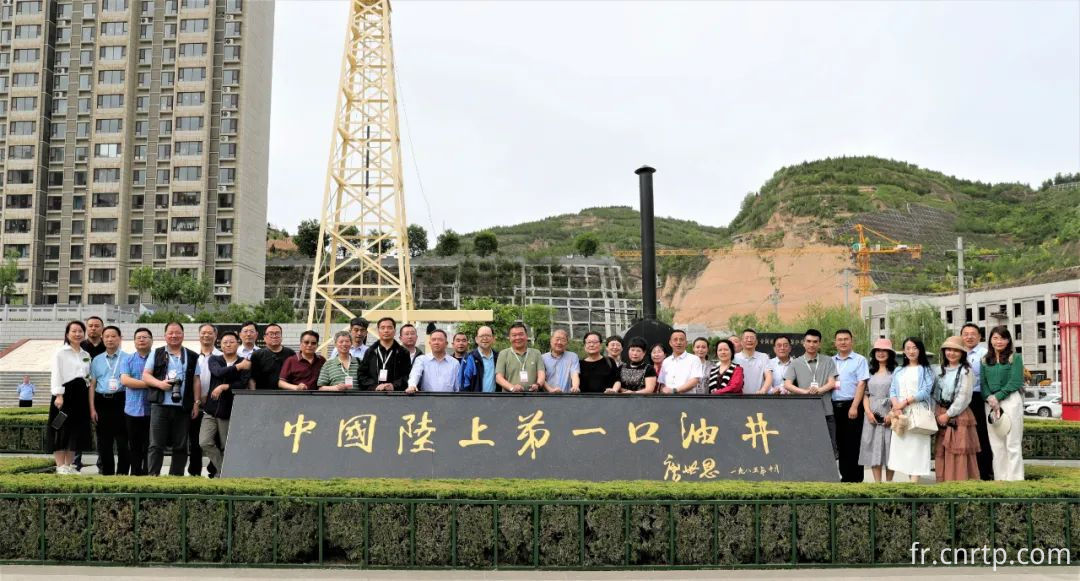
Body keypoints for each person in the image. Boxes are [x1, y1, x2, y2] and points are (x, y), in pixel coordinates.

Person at [142, 321, 202, 477]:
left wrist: (196, 403)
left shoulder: (192, 355)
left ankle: (176, 477)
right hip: (160, 405)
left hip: (183, 406)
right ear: (165, 335)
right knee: (156, 444)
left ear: (183, 335)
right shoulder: (156, 353)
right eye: (170, 333)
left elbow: (196, 380)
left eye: (177, 333)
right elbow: (146, 375)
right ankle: (153, 477)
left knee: (181, 446)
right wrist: (160, 384)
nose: (174, 335)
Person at [784, 329, 840, 458]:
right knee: (805, 446)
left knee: (829, 448)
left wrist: (818, 390)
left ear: (819, 344)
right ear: (803, 343)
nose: (811, 344)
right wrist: (805, 392)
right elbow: (787, 384)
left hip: (826, 411)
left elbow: (832, 383)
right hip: (804, 411)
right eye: (808, 341)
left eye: (815, 342)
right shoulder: (795, 363)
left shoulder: (828, 361)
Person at [886, 337, 935, 482]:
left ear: (920, 350)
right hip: (900, 413)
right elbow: (893, 390)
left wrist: (904, 403)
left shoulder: (926, 370)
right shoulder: (899, 370)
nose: (911, 351)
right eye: (908, 348)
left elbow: (925, 391)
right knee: (903, 447)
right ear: (904, 351)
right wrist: (896, 406)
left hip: (917, 410)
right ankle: (910, 481)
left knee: (917, 447)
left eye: (914, 348)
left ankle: (914, 483)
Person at [201, 331, 250, 476]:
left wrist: (225, 387)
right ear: (220, 345)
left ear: (238, 343)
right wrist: (238, 367)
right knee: (204, 442)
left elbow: (242, 384)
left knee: (225, 446)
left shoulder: (245, 361)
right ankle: (223, 470)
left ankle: (222, 474)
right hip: (210, 410)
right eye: (225, 342)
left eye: (231, 342)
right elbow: (218, 372)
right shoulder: (214, 359)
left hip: (228, 411)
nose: (228, 344)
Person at [49, 321, 93, 474]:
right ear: (67, 334)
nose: (77, 334)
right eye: (74, 331)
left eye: (80, 331)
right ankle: (60, 466)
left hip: (81, 395)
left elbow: (87, 376)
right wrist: (59, 395)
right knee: (60, 428)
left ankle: (70, 465)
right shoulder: (60, 352)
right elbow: (56, 373)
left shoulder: (85, 354)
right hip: (65, 395)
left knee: (76, 430)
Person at [981, 325, 1025, 481]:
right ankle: (1000, 479)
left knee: (1012, 443)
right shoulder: (985, 359)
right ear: (990, 340)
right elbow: (983, 384)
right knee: (997, 445)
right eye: (995, 338)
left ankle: (1016, 480)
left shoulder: (1015, 357)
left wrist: (998, 396)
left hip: (1010, 400)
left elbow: (1016, 381)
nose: (999, 341)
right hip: (991, 404)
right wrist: (989, 398)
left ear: (1008, 340)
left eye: (1003, 338)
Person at [934, 336, 980, 481]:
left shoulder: (966, 371)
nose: (951, 353)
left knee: (958, 452)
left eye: (956, 350)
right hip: (940, 413)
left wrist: (948, 414)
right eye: (948, 349)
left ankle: (958, 484)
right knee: (942, 451)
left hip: (958, 415)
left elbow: (964, 397)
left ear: (962, 353)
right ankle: (943, 484)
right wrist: (938, 413)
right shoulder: (939, 370)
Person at [88, 326, 129, 475]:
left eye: (113, 336)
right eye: (107, 337)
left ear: (120, 338)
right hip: (102, 402)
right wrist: (92, 409)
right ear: (102, 339)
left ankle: (123, 474)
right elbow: (92, 385)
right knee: (104, 443)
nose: (110, 339)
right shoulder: (97, 360)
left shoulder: (127, 358)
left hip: (121, 401)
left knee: (123, 443)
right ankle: (107, 475)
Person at [832, 329, 870, 483]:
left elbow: (862, 383)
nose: (843, 342)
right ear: (835, 342)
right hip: (834, 405)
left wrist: (854, 406)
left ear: (851, 341)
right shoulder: (830, 361)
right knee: (840, 443)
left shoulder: (859, 360)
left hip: (852, 405)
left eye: (846, 339)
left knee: (853, 444)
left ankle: (855, 479)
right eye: (839, 339)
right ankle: (844, 478)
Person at [859, 338, 896, 482]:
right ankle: (877, 484)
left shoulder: (896, 372)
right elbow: (865, 394)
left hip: (890, 410)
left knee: (890, 447)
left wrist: (892, 414)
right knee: (873, 447)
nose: (880, 353)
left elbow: (898, 393)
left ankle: (889, 484)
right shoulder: (869, 372)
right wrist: (868, 412)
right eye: (877, 351)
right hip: (872, 412)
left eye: (884, 351)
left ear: (889, 353)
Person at [961, 323, 993, 480]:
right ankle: (965, 471)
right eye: (965, 333)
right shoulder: (957, 353)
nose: (969, 336)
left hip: (978, 398)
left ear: (979, 337)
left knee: (981, 435)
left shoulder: (985, 354)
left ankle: (984, 472)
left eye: (973, 333)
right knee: (962, 435)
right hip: (960, 400)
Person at [120, 327, 154, 476]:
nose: (141, 339)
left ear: (151, 340)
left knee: (150, 445)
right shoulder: (127, 359)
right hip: (132, 410)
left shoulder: (158, 358)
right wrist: (152, 383)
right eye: (138, 337)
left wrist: (139, 382)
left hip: (152, 410)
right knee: (134, 446)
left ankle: (149, 474)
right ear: (134, 341)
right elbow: (125, 380)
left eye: (145, 337)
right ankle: (135, 474)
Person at [191, 323, 222, 477]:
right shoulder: (191, 356)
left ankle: (215, 470)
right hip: (195, 404)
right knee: (195, 441)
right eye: (203, 333)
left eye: (210, 333)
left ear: (215, 336)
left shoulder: (221, 357)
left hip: (215, 405)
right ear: (199, 335)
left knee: (214, 441)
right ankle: (194, 472)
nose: (206, 336)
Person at [358, 317, 412, 391]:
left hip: (396, 395)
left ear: (395, 331)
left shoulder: (403, 352)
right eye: (382, 328)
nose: (386, 331)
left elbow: (407, 376)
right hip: (374, 395)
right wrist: (375, 386)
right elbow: (362, 375)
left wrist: (393, 386)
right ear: (378, 331)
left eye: (389, 328)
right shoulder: (370, 351)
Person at [495, 322, 545, 392]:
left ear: (526, 336)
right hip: (509, 398)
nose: (518, 337)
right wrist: (512, 388)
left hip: (532, 397)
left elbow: (541, 374)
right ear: (509, 338)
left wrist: (538, 385)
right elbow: (498, 378)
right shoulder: (503, 354)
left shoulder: (536, 353)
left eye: (521, 334)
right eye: (514, 335)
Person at [249, 323, 295, 390]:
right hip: (264, 395)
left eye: (277, 333)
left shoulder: (290, 353)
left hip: (286, 394)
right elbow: (252, 379)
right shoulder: (257, 355)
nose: (274, 336)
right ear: (264, 338)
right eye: (271, 334)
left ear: (281, 336)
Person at [460, 326, 499, 392]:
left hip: (496, 400)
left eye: (488, 335)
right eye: (482, 336)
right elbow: (464, 385)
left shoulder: (498, 357)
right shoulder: (469, 358)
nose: (485, 338)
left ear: (493, 339)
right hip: (475, 400)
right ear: (476, 339)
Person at [735, 329, 771, 395]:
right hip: (739, 398)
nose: (749, 340)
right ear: (741, 342)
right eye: (746, 338)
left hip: (759, 397)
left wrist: (763, 390)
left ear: (756, 342)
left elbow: (768, 376)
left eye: (752, 338)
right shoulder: (734, 358)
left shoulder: (764, 357)